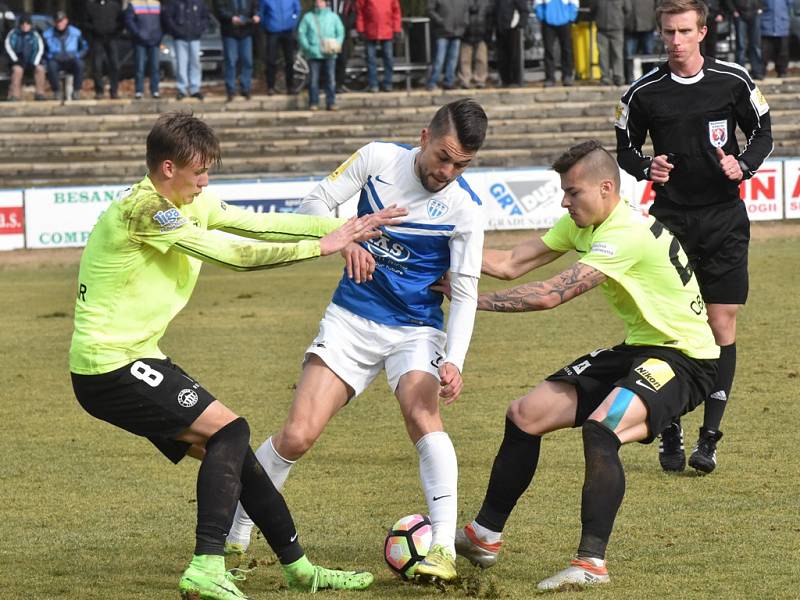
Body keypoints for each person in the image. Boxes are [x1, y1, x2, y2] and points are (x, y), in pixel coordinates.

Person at [69, 112, 405, 600]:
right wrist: (322, 246)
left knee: (235, 454)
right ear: (167, 168)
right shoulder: (144, 210)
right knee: (231, 430)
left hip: (134, 357)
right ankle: (206, 564)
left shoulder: (189, 199)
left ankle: (300, 570)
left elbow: (259, 225)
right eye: (198, 172)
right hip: (110, 366)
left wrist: (345, 226)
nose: (205, 182)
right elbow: (232, 254)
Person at [226, 99, 489, 585]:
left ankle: (441, 549)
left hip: (415, 329)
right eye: (445, 157)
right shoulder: (377, 160)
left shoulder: (465, 208)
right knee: (297, 435)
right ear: (425, 135)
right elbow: (313, 205)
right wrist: (344, 240)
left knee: (423, 412)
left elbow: (467, 292)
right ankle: (234, 537)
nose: (448, 172)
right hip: (351, 319)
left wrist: (453, 360)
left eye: (462, 165)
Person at [452, 139, 719, 590]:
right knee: (526, 414)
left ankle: (590, 563)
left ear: (606, 188)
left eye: (573, 192)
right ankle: (485, 536)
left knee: (603, 427)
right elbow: (512, 263)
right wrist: (440, 249)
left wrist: (467, 300)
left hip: (686, 357)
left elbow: (550, 294)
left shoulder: (625, 233)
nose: (564, 200)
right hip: (641, 347)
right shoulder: (586, 222)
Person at [615, 0, 773, 474]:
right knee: (672, 328)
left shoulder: (734, 80)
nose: (676, 40)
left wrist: (743, 164)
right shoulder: (644, 92)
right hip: (670, 223)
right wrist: (647, 167)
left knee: (722, 326)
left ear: (703, 32)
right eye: (668, 32)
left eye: (685, 31)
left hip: (725, 219)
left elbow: (763, 130)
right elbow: (624, 146)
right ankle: (670, 430)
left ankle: (710, 438)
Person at [297, 0, 344, 110]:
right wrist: (307, 47)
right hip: (313, 53)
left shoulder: (333, 17)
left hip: (329, 53)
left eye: (321, 2)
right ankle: (313, 102)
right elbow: (301, 33)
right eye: (318, 2)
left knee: (331, 79)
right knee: (313, 79)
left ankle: (331, 102)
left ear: (325, 3)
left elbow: (340, 32)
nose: (319, 4)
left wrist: (336, 44)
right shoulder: (308, 17)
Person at [163, 0, 210, 100]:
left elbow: (205, 17)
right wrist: (176, 31)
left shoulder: (199, 2)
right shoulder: (175, 2)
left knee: (195, 63)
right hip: (179, 38)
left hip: (194, 38)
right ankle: (182, 89)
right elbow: (169, 18)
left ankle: (195, 89)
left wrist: (199, 29)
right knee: (181, 64)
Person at [214, 0, 261, 101]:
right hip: (230, 32)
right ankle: (231, 90)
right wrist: (231, 18)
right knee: (231, 61)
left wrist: (256, 15)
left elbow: (255, 7)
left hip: (246, 32)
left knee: (247, 61)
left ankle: (246, 88)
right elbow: (220, 9)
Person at [356, 0, 402, 92]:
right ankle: (373, 84)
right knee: (370, 59)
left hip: (387, 30)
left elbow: (396, 11)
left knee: (388, 58)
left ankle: (388, 83)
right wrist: (360, 29)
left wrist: (397, 29)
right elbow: (360, 11)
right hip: (370, 31)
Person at [43, 10, 88, 100]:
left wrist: (78, 55)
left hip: (71, 59)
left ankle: (76, 91)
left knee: (80, 65)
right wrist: (49, 56)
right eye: (57, 21)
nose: (59, 24)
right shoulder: (47, 34)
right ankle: (57, 91)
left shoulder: (76, 32)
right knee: (51, 66)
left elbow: (85, 46)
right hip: (56, 60)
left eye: (61, 21)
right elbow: (43, 50)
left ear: (66, 21)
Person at [426, 0, 469, 91]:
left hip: (457, 32)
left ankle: (448, 82)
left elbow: (466, 10)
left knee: (453, 60)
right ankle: (432, 83)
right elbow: (430, 10)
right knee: (439, 59)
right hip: (442, 32)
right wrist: (441, 21)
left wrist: (464, 24)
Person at [260, 0, 300, 95]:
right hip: (272, 31)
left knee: (289, 60)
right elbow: (262, 13)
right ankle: (270, 87)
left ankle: (290, 86)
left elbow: (297, 10)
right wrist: (267, 25)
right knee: (271, 60)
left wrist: (292, 22)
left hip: (288, 31)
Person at [124, 0, 163, 99]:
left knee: (155, 67)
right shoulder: (134, 4)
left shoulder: (156, 4)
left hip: (154, 40)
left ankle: (155, 90)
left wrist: (159, 35)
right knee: (139, 67)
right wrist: (137, 33)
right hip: (140, 41)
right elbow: (129, 20)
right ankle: (139, 90)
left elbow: (163, 20)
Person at [4, 13, 47, 101]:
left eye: (27, 23)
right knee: (17, 70)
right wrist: (16, 60)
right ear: (19, 24)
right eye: (23, 23)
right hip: (17, 62)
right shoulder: (13, 34)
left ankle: (40, 94)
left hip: (32, 62)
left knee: (40, 69)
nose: (25, 25)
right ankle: (14, 95)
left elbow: (40, 49)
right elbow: (8, 48)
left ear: (30, 24)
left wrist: (34, 63)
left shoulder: (35, 35)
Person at [534, 0, 578, 87]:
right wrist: (542, 16)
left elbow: (574, 3)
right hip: (548, 23)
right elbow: (537, 3)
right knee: (548, 50)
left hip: (565, 22)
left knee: (567, 50)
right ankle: (550, 78)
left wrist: (571, 17)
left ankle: (567, 76)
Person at [85, 0, 123, 99]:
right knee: (97, 66)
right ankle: (99, 91)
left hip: (111, 39)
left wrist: (116, 32)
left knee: (115, 65)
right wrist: (94, 30)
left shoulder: (114, 5)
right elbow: (86, 22)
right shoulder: (91, 5)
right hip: (97, 39)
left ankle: (114, 91)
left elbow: (121, 21)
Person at [458, 0, 493, 89]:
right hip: (466, 34)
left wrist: (488, 33)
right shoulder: (464, 2)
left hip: (482, 34)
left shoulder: (486, 3)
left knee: (481, 59)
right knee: (464, 60)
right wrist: (461, 31)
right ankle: (465, 80)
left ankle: (480, 79)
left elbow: (490, 19)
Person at [493, 0, 528, 87]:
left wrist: (520, 25)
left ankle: (515, 80)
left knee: (514, 55)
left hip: (513, 29)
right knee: (502, 56)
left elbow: (524, 10)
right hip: (500, 28)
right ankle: (505, 80)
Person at [590, 0, 625, 86]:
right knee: (602, 54)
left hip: (617, 28)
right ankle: (605, 77)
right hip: (601, 29)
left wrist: (620, 20)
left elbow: (628, 9)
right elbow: (593, 9)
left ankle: (618, 77)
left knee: (617, 54)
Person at [622, 0, 657, 83]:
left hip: (648, 24)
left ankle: (649, 80)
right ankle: (631, 80)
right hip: (630, 26)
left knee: (648, 55)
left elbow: (658, 5)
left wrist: (656, 22)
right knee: (630, 56)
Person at [731, 0, 764, 79]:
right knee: (741, 45)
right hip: (739, 14)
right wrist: (733, 10)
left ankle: (757, 71)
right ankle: (740, 73)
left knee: (755, 45)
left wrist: (760, 7)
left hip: (755, 13)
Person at [760, 0, 792, 78]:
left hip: (782, 25)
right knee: (764, 51)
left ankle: (782, 71)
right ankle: (761, 71)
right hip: (766, 25)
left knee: (783, 51)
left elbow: (790, 5)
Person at [331, 0, 357, 93]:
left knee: (342, 60)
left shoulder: (349, 2)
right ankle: (330, 84)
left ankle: (339, 84)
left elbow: (353, 14)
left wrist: (346, 25)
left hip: (344, 35)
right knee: (331, 60)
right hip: (330, 35)